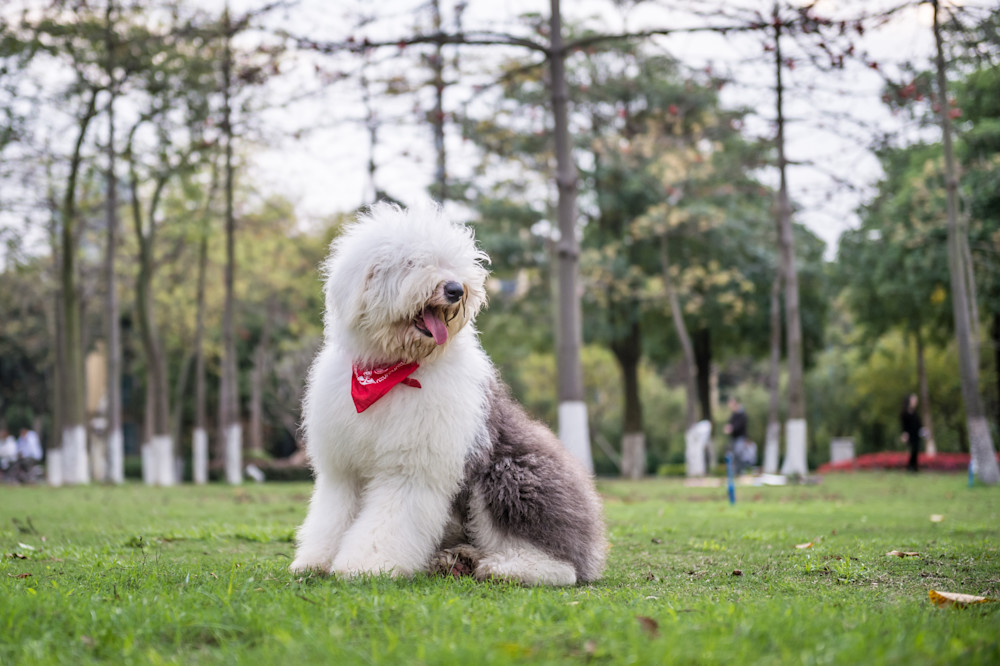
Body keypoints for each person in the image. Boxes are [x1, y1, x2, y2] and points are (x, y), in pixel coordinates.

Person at [724, 396, 754, 474]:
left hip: (740, 438)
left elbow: (739, 425)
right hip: (734, 438)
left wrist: (731, 428)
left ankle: (740, 472)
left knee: (739, 455)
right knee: (733, 456)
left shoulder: (742, 414)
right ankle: (735, 473)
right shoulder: (733, 415)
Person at [900, 393, 922, 472]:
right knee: (913, 450)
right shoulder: (905, 412)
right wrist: (904, 434)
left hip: (916, 435)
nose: (915, 401)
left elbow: (919, 425)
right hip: (910, 435)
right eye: (914, 399)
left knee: (916, 450)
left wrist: (924, 431)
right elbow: (904, 425)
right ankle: (910, 467)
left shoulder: (915, 413)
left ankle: (914, 467)